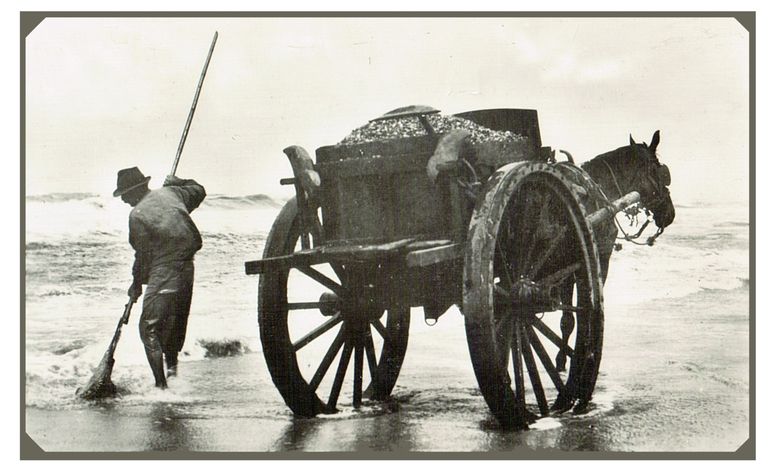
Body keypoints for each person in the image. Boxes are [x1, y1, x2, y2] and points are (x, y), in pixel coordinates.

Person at [113, 167, 206, 389]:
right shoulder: (172, 193)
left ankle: (161, 387)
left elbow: (143, 256)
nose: (124, 200)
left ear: (134, 191)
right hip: (188, 270)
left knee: (149, 328)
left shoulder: (137, 215)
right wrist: (179, 181)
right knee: (173, 326)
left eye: (125, 195)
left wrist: (136, 285)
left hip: (165, 272)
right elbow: (199, 190)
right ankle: (173, 376)